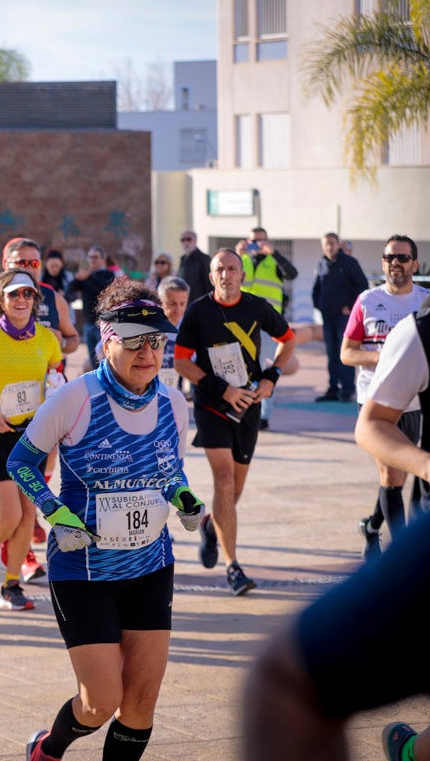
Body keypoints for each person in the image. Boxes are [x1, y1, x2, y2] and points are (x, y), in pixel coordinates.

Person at [6, 278, 199, 761]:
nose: (147, 353)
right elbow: (20, 463)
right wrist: (55, 514)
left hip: (150, 566)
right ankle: (48, 749)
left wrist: (184, 499)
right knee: (100, 703)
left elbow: (168, 468)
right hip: (84, 572)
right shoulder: (75, 398)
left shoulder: (173, 402)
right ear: (107, 341)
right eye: (133, 341)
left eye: (156, 341)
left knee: (141, 703)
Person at [244, 299, 430, 760]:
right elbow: (369, 424)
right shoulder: (422, 331)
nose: (396, 264)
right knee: (293, 679)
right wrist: (429, 465)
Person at [174, 249, 295, 595]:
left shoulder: (257, 307)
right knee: (224, 481)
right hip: (212, 405)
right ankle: (233, 568)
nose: (226, 275)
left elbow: (289, 340)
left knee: (234, 491)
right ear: (211, 277)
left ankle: (212, 526)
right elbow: (182, 362)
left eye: (231, 269)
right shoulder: (198, 312)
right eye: (219, 270)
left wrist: (271, 377)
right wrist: (221, 390)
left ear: (241, 275)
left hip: (248, 407)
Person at [0, 270, 63, 611]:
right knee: (8, 515)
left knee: (27, 516)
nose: (20, 300)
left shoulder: (48, 339)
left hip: (33, 437)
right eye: (13, 295)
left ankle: (11, 586)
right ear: (1, 300)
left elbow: (56, 378)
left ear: (35, 299)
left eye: (26, 294)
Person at [342, 235, 429, 561]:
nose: (396, 263)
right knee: (392, 475)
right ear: (383, 263)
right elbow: (346, 354)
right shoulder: (367, 300)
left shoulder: (426, 302)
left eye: (403, 258)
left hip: (416, 402)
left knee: (401, 475)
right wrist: (386, 358)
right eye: (390, 257)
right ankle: (402, 555)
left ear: (414, 264)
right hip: (376, 402)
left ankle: (371, 525)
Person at [237, 226, 297, 429]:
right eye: (254, 240)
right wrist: (237, 254)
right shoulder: (241, 260)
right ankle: (243, 409)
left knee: (267, 369)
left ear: (268, 242)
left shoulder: (274, 261)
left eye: (261, 241)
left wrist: (275, 253)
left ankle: (264, 415)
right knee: (242, 368)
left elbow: (292, 274)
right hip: (243, 323)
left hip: (270, 325)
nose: (257, 244)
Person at [312, 232, 367, 403]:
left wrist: (350, 307)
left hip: (344, 318)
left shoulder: (350, 263)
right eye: (326, 244)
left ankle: (347, 391)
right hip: (327, 317)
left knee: (345, 354)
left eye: (332, 243)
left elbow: (362, 285)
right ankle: (333, 389)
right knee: (331, 354)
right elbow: (317, 289)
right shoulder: (321, 264)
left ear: (338, 244)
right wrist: (319, 306)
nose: (329, 247)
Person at [68, 246, 117, 372]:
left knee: (106, 358)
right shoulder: (86, 276)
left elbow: (102, 288)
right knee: (93, 360)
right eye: (90, 257)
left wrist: (87, 277)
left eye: (95, 257)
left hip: (104, 323)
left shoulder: (108, 274)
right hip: (89, 323)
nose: (93, 260)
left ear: (103, 259)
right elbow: (71, 290)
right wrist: (77, 278)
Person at [156, 276, 190, 394]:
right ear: (160, 301)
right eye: (172, 304)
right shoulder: (148, 326)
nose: (178, 310)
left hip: (174, 393)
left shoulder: (190, 328)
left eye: (182, 304)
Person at [176, 230, 212, 304]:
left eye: (189, 239)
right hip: (184, 303)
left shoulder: (204, 259)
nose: (185, 242)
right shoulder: (183, 259)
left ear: (195, 241)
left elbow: (210, 285)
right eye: (183, 240)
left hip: (200, 304)